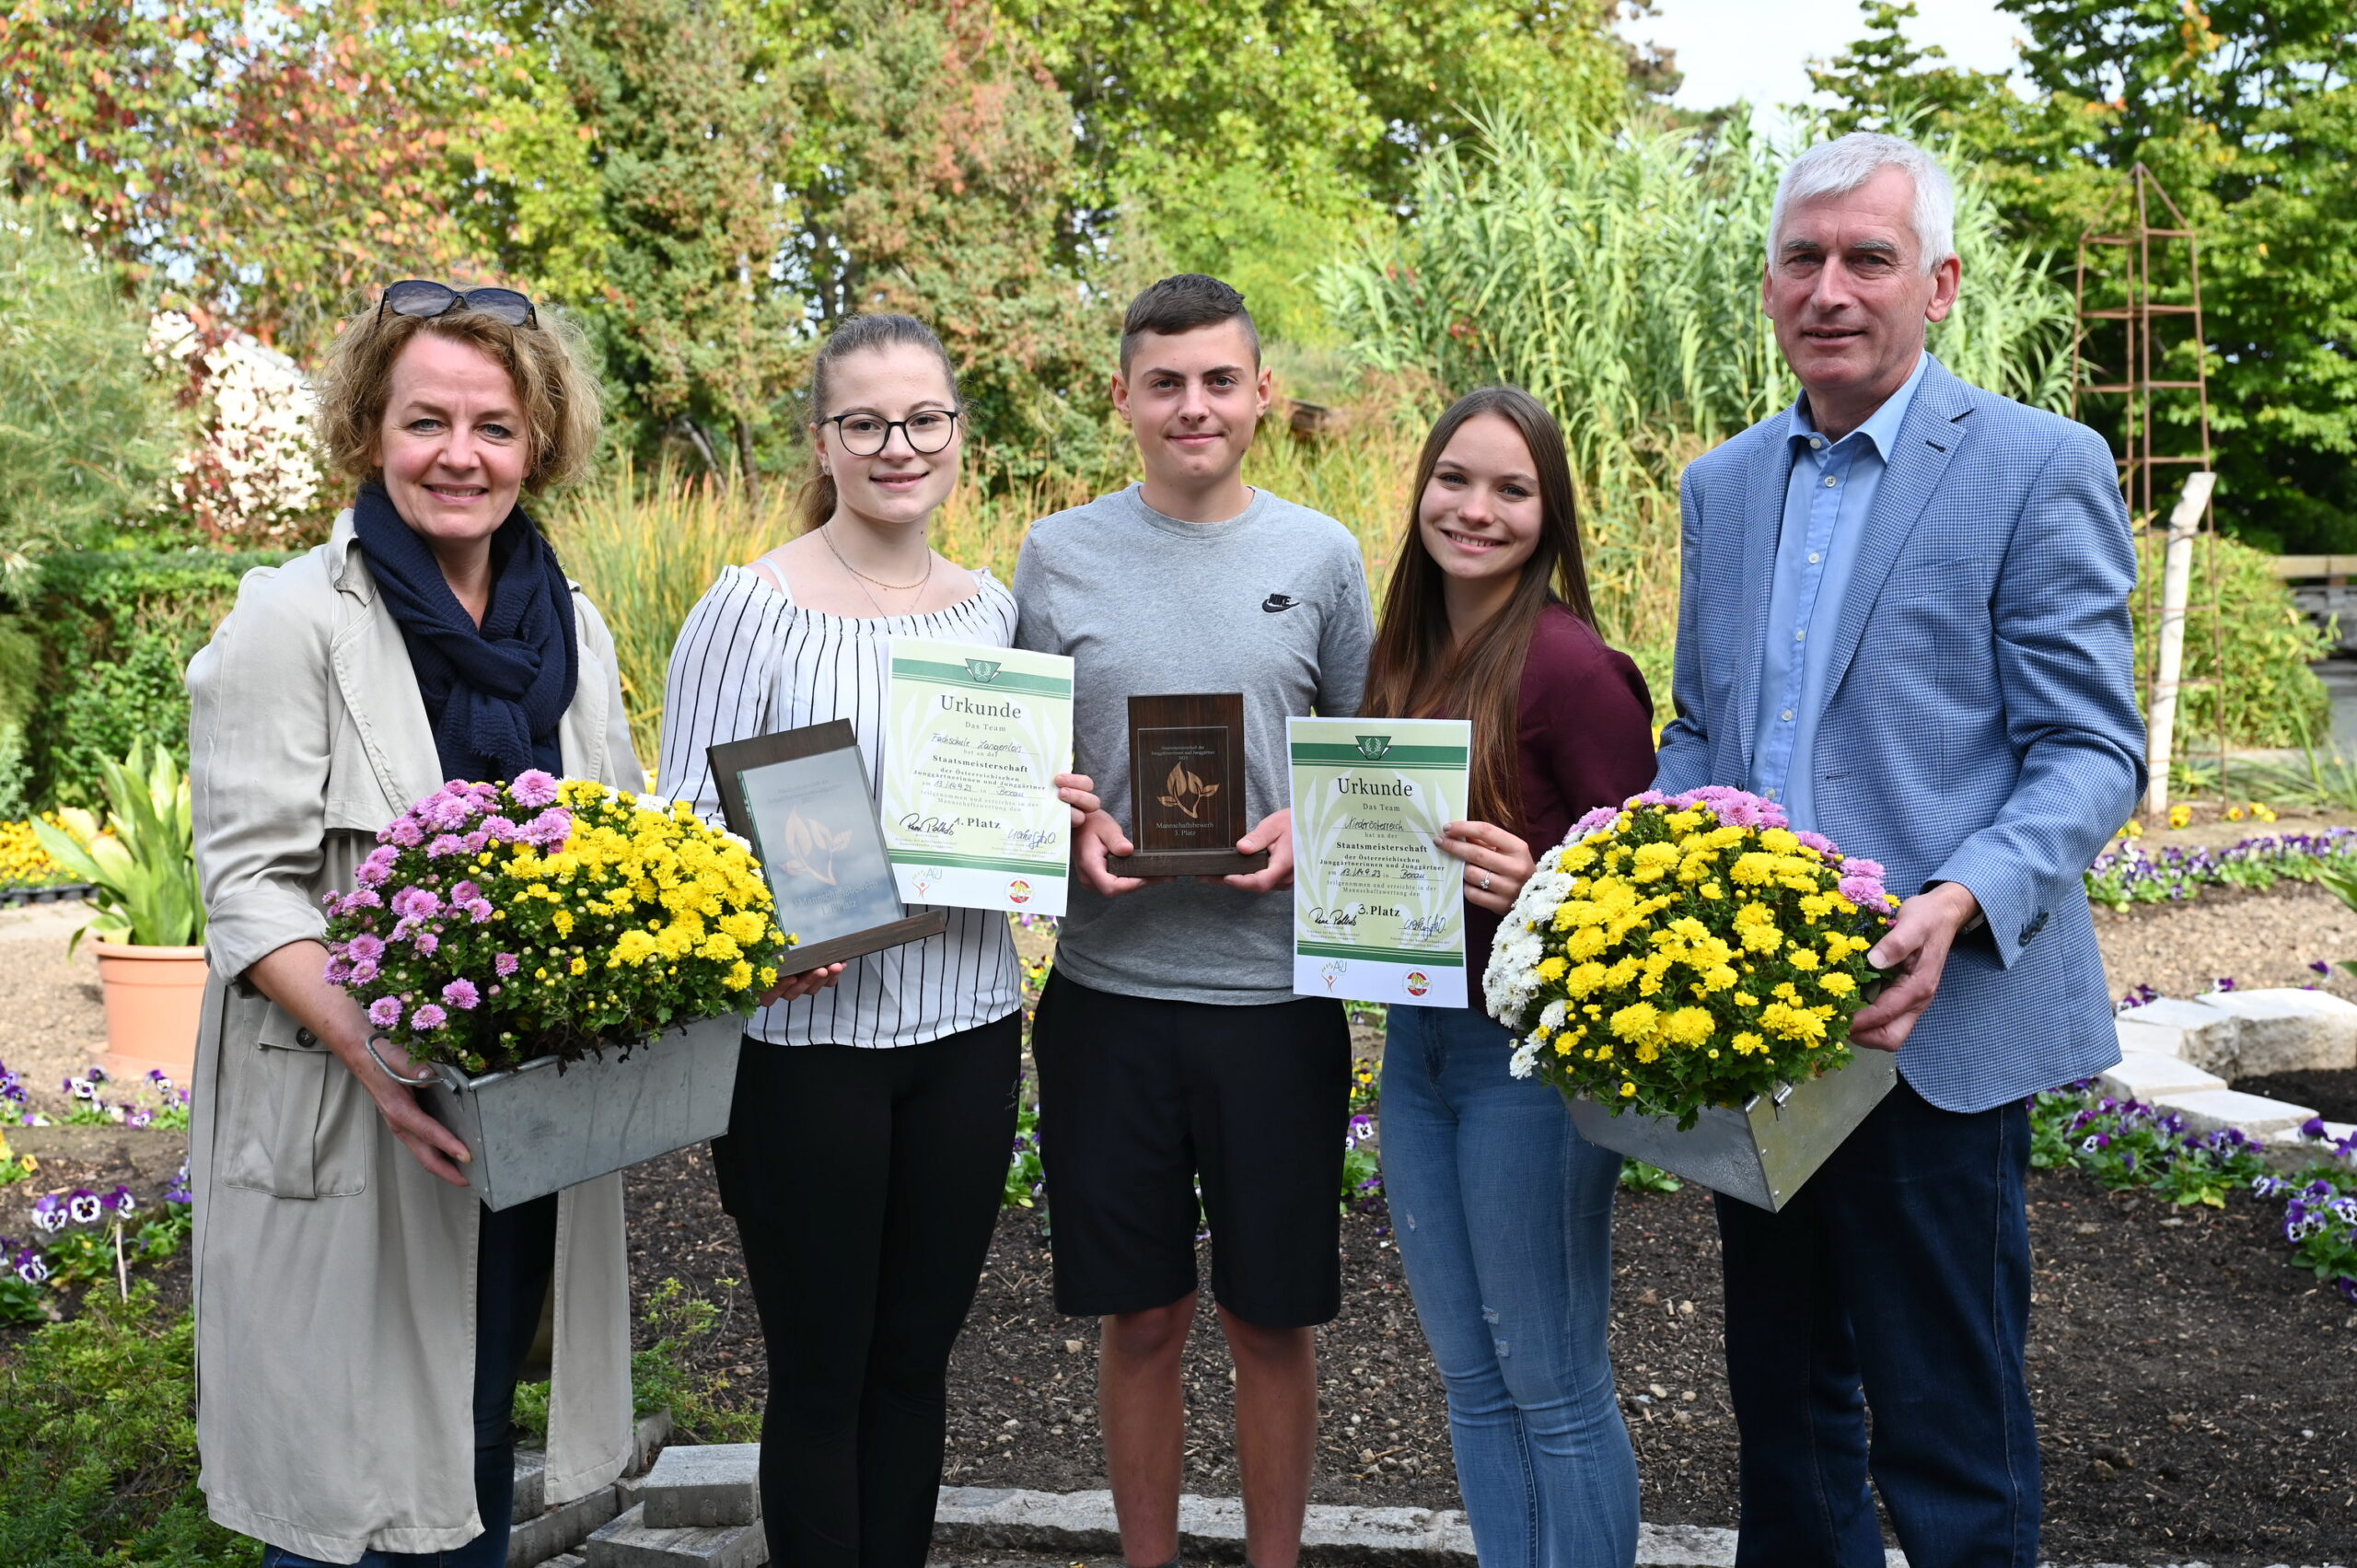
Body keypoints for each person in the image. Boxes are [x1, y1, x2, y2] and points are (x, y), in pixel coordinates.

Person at [1654, 132, 2142, 1567]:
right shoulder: (1725, 486)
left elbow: (2092, 750)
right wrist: (1649, 878)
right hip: (1760, 1032)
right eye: (1803, 259)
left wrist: (1959, 899)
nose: (1832, 288)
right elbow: (1700, 731)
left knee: (1950, 1426)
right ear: (1767, 287)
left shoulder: (2034, 467)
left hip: (1939, 1021)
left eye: (1868, 258)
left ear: (1939, 283)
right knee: (1786, 1425)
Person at [185, 282, 640, 1565]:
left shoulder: (575, 626)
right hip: (357, 1107)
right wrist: (381, 1061)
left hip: (515, 1114)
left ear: (538, 441)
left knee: (478, 1430)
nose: (461, 453)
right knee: (351, 1483)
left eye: (495, 425)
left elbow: (614, 856)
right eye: (426, 419)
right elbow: (247, 885)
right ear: (369, 432)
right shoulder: (294, 617)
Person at [656, 311, 1097, 1568]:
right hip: (803, 1050)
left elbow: (1009, 801)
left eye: (923, 419)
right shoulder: (749, 606)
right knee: (820, 1368)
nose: (898, 445)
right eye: (866, 422)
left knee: (915, 1359)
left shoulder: (993, 613)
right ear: (824, 440)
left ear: (959, 432)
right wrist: (767, 928)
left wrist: (1047, 809)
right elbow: (683, 822)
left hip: (962, 1032)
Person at [1013, 273, 1376, 1568]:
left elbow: (1367, 767)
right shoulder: (1056, 555)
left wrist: (1311, 826)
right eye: (1164, 382)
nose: (1194, 405)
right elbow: (1011, 763)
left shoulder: (1322, 555)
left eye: (1220, 379)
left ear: (1262, 392)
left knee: (1272, 1319)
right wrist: (1054, 818)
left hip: (1277, 1004)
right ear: (1122, 396)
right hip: (1109, 998)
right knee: (1144, 1317)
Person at [1360, 387, 1656, 1568]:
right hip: (1416, 1038)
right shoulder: (1404, 649)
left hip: (1522, 1060)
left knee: (1552, 1377)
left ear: (1550, 513)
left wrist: (1541, 877)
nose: (1474, 509)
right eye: (1454, 479)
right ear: (1422, 486)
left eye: (1510, 488)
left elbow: (1640, 896)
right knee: (1471, 1377)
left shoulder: (1576, 669)